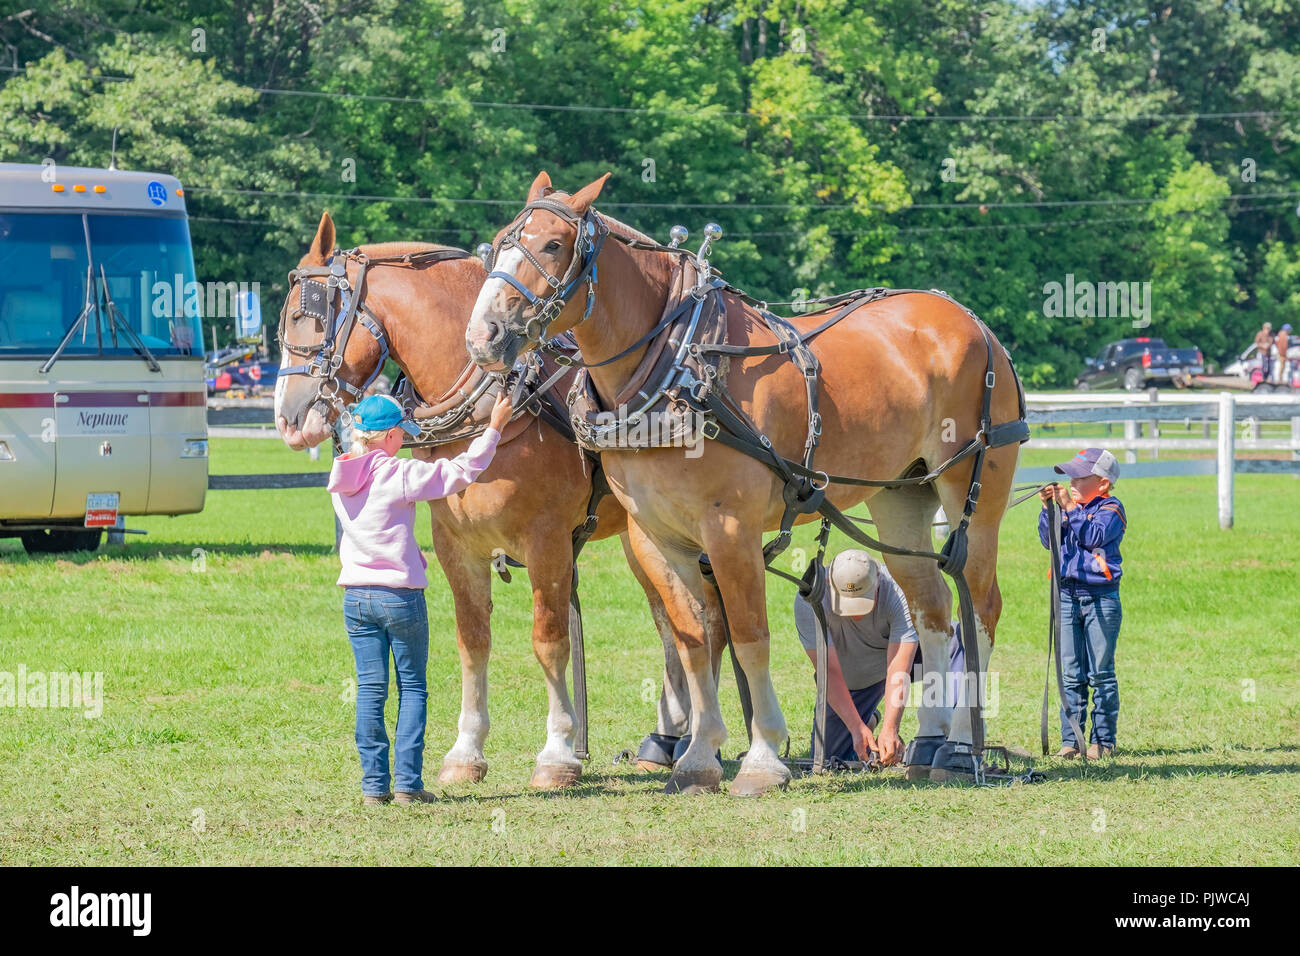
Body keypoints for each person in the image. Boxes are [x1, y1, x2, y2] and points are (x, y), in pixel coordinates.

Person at [328, 391, 512, 805]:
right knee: (412, 688)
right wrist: (495, 427)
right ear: (391, 435)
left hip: (356, 597)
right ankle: (408, 784)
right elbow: (462, 471)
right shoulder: (399, 474)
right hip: (400, 596)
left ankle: (374, 786)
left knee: (371, 691)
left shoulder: (341, 475)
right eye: (401, 435)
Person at [793, 549, 962, 767]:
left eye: (862, 601)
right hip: (853, 676)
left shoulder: (899, 589)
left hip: (907, 661)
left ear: (879, 580)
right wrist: (856, 727)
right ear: (828, 581)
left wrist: (891, 728)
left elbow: (898, 667)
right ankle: (869, 719)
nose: (855, 614)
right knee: (829, 755)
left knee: (958, 639)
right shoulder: (810, 599)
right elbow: (829, 672)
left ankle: (956, 736)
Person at [1038, 447, 1126, 759]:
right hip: (1065, 595)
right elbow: (1048, 540)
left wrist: (1068, 507)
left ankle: (1103, 740)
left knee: (1100, 673)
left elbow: (1094, 535)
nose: (1072, 481)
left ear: (1103, 483)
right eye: (1070, 475)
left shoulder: (1112, 509)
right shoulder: (1066, 508)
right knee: (1071, 673)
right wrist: (1050, 510)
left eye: (1080, 475)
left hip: (1101, 598)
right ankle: (1072, 739)